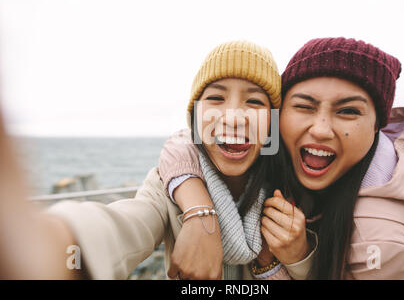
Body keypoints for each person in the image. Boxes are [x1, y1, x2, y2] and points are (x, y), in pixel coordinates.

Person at [0, 40, 314, 279]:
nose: (233, 117)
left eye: (255, 102)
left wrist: (298, 255)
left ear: (273, 123)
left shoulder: (293, 186)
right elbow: (126, 225)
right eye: (216, 97)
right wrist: (49, 244)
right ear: (194, 118)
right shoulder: (167, 184)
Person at [158, 37, 404, 279]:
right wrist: (198, 212)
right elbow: (185, 141)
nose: (321, 130)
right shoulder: (274, 150)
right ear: (280, 114)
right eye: (304, 106)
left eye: (348, 111)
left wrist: (289, 260)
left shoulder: (381, 240)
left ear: (377, 127)